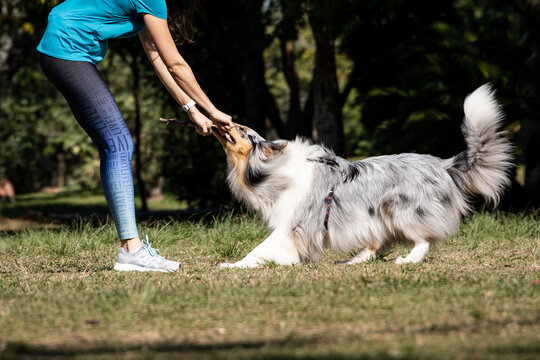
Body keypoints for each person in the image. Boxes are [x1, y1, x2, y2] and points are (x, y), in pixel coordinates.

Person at [37, 0, 233, 272]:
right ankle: (132, 251)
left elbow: (155, 55)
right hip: (68, 48)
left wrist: (191, 108)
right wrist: (212, 110)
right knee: (119, 144)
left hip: (61, 47)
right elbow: (176, 64)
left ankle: (131, 250)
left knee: (113, 145)